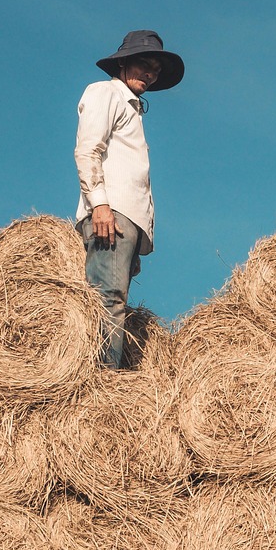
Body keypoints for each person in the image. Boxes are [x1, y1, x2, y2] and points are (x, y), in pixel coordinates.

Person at [74, 30, 185, 368]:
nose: (150, 74)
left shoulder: (132, 108)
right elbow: (88, 150)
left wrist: (136, 247)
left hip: (126, 221)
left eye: (155, 69)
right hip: (110, 212)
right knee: (107, 298)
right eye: (143, 64)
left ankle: (107, 371)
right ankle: (101, 378)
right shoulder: (104, 92)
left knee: (115, 297)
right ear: (123, 63)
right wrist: (100, 205)